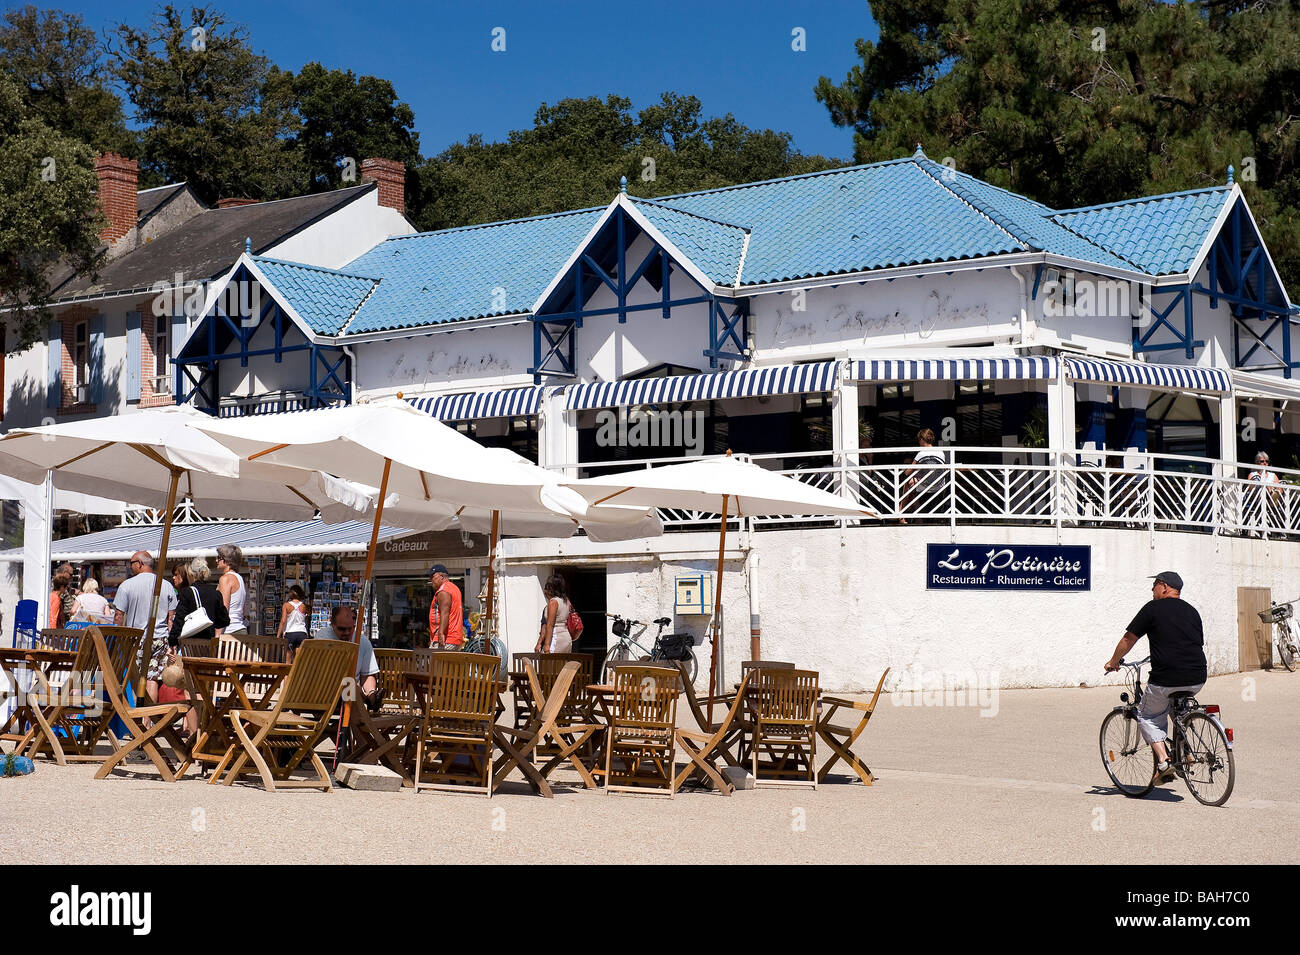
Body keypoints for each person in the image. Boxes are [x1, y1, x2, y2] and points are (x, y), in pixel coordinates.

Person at [1104, 571, 1208, 785]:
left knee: (1147, 715)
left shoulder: (1152, 609)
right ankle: (1185, 752)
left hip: (1166, 678)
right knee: (1174, 708)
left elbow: (1128, 638)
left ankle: (1163, 762)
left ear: (1163, 586)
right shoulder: (1192, 611)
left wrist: (1114, 661)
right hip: (1197, 676)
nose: (1151, 591)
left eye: (1153, 586)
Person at [168, 557, 229, 740]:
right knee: (205, 690)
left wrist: (173, 642)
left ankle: (195, 736)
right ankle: (205, 732)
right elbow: (224, 620)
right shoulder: (215, 593)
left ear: (192, 573)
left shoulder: (187, 593)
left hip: (190, 646)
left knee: (190, 690)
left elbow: (178, 621)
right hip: (208, 647)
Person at [113, 550, 178, 706]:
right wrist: (172, 641)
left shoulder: (127, 585)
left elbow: (118, 616)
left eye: (131, 563)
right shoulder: (166, 585)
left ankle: (138, 717)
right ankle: (148, 720)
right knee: (152, 678)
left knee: (135, 677)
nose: (130, 567)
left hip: (136, 638)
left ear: (140, 564)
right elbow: (171, 617)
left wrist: (118, 638)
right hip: (160, 639)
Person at [312, 605, 383, 711]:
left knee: (350, 686)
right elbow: (332, 673)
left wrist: (371, 692)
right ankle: (366, 702)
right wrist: (361, 693)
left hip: (349, 696)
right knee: (348, 683)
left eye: (350, 628)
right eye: (341, 629)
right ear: (332, 623)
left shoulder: (362, 641)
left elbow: (367, 675)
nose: (346, 633)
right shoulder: (323, 637)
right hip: (323, 694)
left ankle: (371, 699)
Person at [901, 427, 948, 523]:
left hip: (924, 486)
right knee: (912, 482)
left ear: (922, 439)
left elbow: (907, 472)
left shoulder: (921, 454)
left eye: (919, 440)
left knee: (909, 482)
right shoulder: (941, 452)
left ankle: (905, 514)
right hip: (938, 486)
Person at [427, 564, 464, 650]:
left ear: (442, 576)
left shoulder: (443, 591)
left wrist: (440, 634)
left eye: (433, 576)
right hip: (453, 638)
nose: (431, 580)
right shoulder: (454, 588)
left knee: (433, 663)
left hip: (444, 639)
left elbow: (445, 614)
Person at [535, 573, 573, 653]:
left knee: (548, 664)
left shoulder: (553, 602)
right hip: (566, 638)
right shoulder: (566, 601)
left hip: (556, 638)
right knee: (562, 665)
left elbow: (550, 625)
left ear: (552, 587)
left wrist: (546, 645)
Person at [215, 544, 247, 636]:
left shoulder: (225, 579)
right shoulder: (240, 579)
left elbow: (223, 609)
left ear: (227, 560)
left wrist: (217, 636)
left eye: (219, 558)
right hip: (240, 629)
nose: (216, 560)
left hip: (229, 632)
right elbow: (243, 610)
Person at [1246, 451, 1282, 532]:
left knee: (1276, 491)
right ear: (1257, 463)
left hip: (1272, 496)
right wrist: (1266, 487)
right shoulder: (1253, 474)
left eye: (1267, 461)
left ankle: (1271, 500)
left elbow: (1280, 489)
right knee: (1263, 487)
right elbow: (1251, 488)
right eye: (1262, 461)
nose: (1265, 463)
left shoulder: (1273, 475)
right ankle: (1271, 500)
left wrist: (1270, 489)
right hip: (1257, 499)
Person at [277, 585, 311, 662]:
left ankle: (287, 674)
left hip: (290, 633)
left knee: (287, 661)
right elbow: (308, 618)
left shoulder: (286, 605)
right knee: (299, 661)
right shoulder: (304, 606)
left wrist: (278, 635)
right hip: (302, 633)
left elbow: (283, 621)